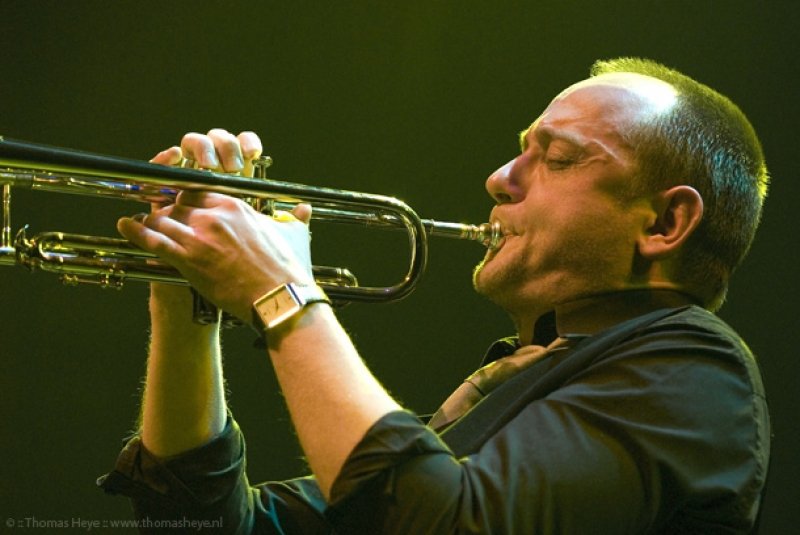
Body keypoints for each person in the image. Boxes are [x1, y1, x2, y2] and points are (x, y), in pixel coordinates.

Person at [98, 57, 771, 533]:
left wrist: (283, 292)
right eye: (520, 151)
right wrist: (186, 299)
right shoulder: (518, 382)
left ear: (665, 222)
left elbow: (442, 521)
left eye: (559, 158)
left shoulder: (696, 369)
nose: (499, 178)